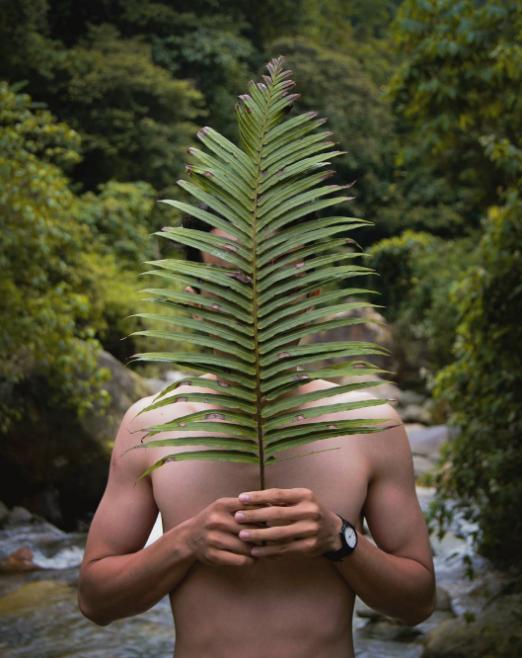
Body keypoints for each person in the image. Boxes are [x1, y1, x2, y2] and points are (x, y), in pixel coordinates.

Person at [78, 221, 436, 658]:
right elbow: (94, 601)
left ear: (309, 296)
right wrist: (184, 542)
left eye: (281, 278)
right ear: (198, 302)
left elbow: (418, 602)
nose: (261, 302)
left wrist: (339, 538)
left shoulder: (369, 425)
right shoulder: (153, 425)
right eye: (238, 281)